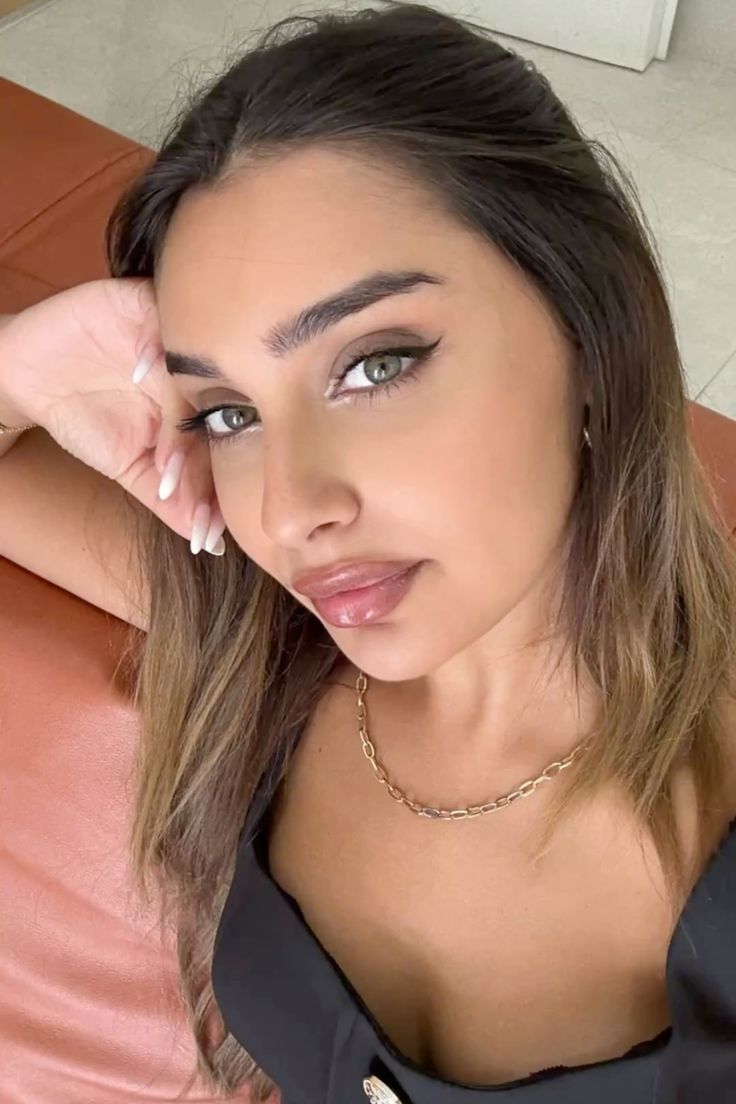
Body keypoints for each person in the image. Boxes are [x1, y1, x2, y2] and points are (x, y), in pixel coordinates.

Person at [1, 3, 736, 1101]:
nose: (290, 511)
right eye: (228, 413)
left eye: (375, 365)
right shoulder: (255, 639)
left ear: (592, 333)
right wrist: (17, 368)